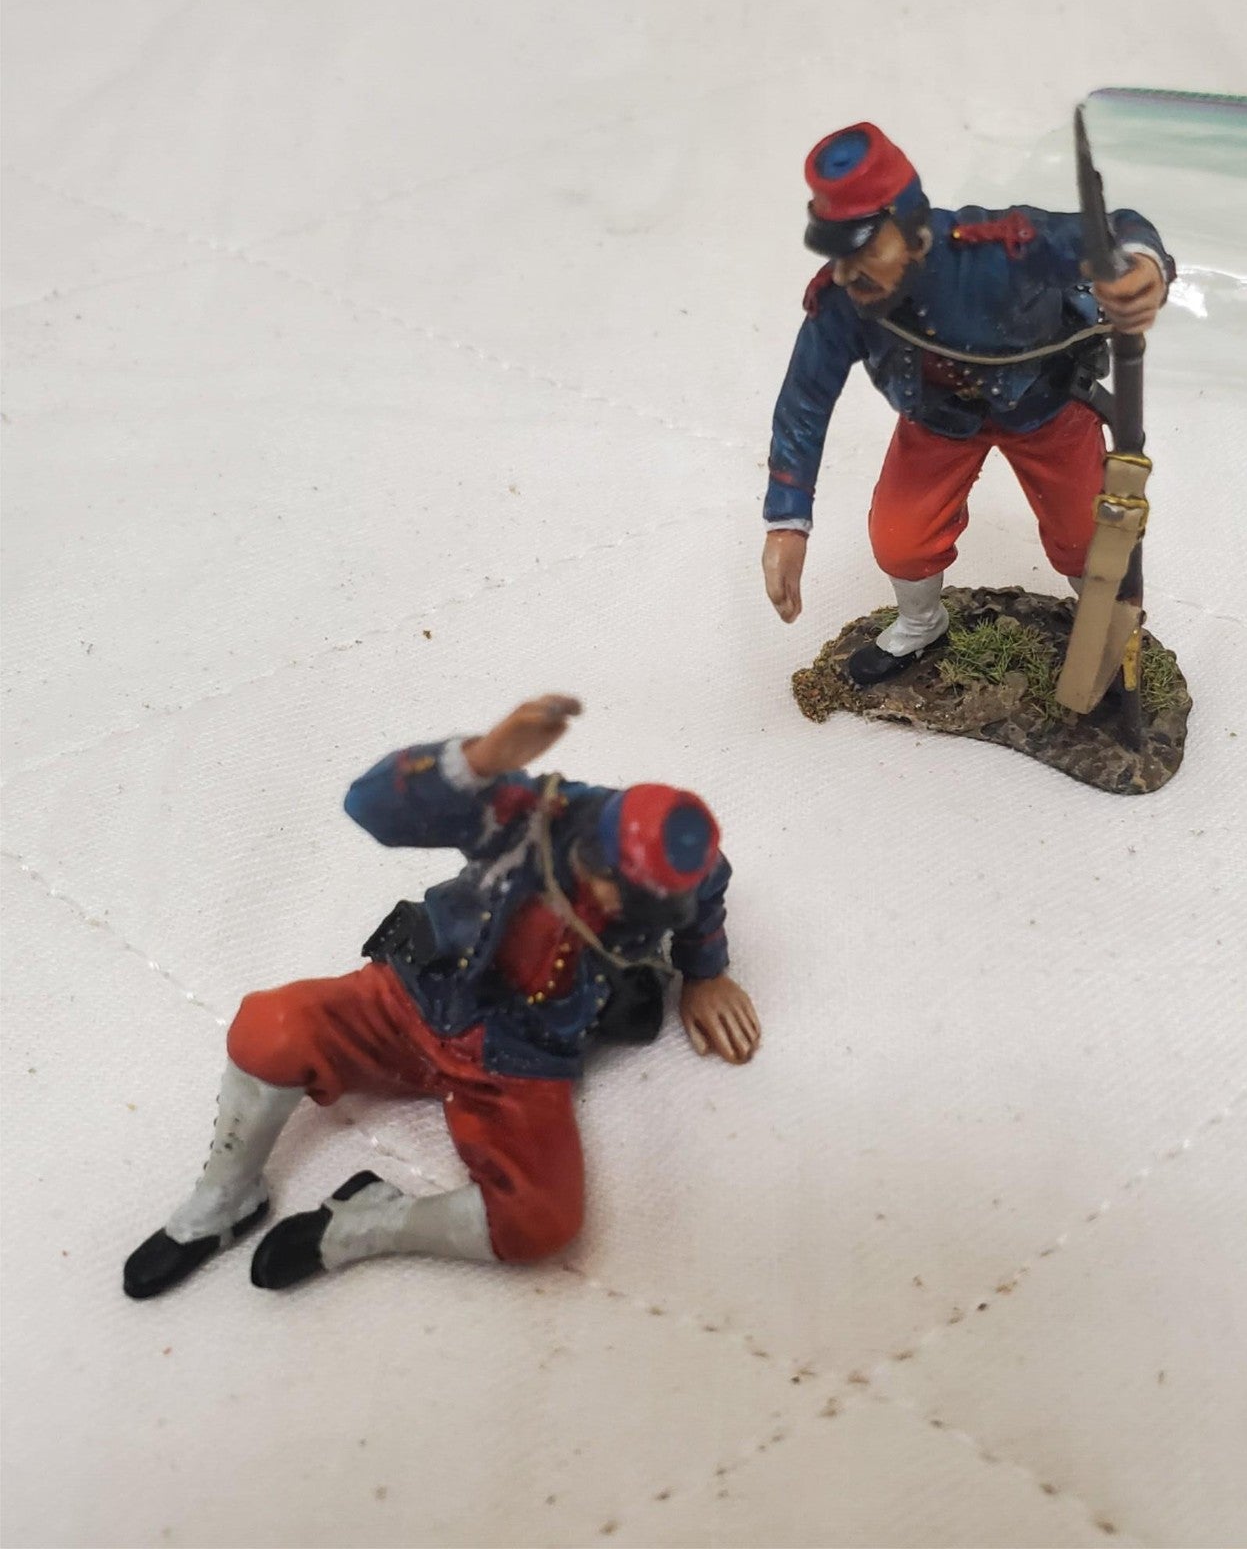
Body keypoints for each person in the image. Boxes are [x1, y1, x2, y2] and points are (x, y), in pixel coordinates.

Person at [123, 695, 760, 1298]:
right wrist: (479, 761)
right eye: (620, 888)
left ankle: (368, 1223)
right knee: (272, 1026)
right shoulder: (532, 819)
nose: (622, 908)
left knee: (540, 1219)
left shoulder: (688, 879)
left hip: (521, 1057)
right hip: (413, 997)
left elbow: (707, 897)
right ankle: (228, 1195)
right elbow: (370, 806)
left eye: (645, 905)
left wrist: (705, 973)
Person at [761, 122, 1173, 684]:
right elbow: (804, 401)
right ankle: (921, 624)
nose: (847, 272)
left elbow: (1117, 230)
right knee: (900, 539)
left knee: (1091, 534)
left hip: (1047, 407)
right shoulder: (843, 302)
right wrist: (787, 522)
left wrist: (1141, 268)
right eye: (837, 254)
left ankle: (1106, 633)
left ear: (912, 229)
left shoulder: (1000, 247)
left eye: (866, 249)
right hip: (938, 423)